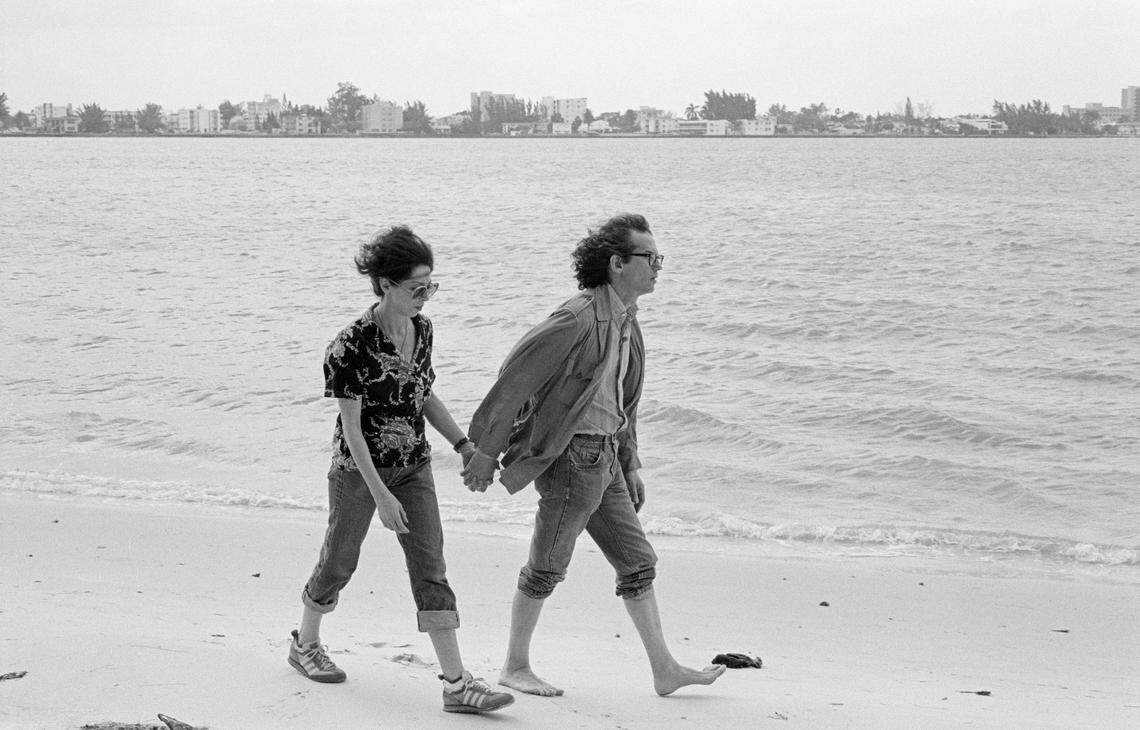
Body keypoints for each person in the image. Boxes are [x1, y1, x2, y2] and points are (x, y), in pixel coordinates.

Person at [461, 213, 726, 697]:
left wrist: (631, 462)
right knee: (547, 564)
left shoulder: (626, 320)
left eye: (657, 258)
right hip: (571, 459)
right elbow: (514, 379)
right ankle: (514, 665)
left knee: (638, 562)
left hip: (605, 458)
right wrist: (483, 452)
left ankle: (663, 669)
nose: (658, 267)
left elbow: (624, 402)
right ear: (617, 263)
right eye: (650, 258)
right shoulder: (578, 317)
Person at [289, 225, 514, 715]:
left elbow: (423, 393)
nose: (425, 298)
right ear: (385, 284)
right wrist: (380, 495)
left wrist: (463, 444)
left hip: (414, 468)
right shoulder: (348, 345)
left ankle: (457, 685)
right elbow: (350, 430)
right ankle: (305, 643)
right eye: (416, 289)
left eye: (430, 287)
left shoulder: (423, 330)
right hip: (359, 473)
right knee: (340, 561)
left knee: (431, 568)